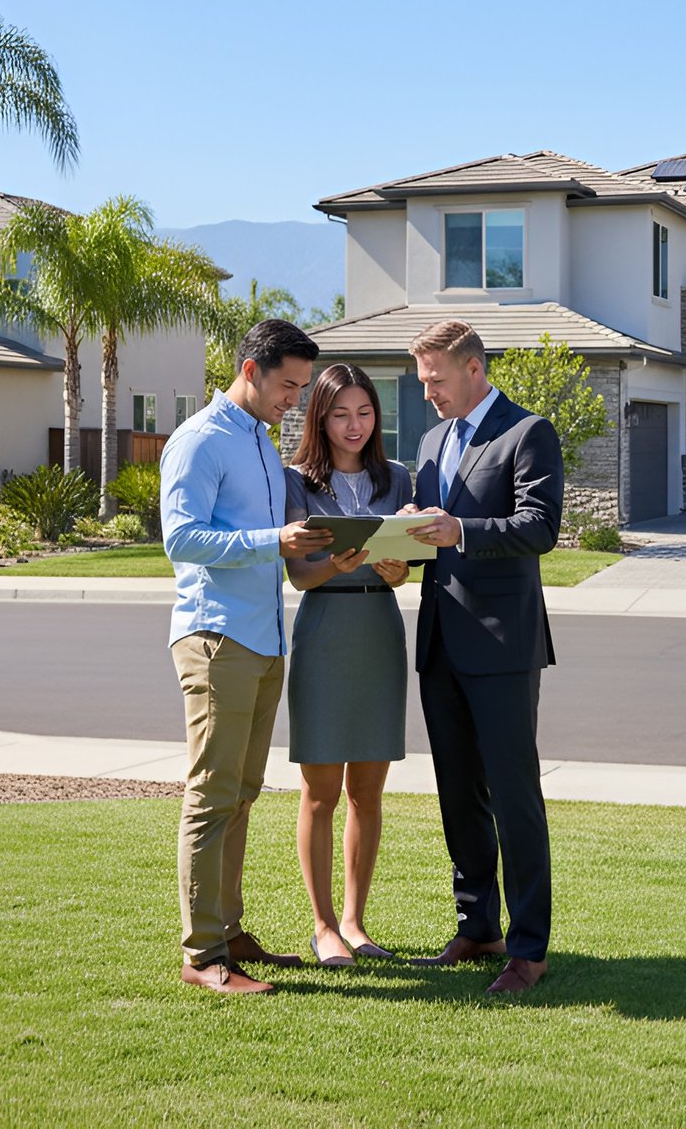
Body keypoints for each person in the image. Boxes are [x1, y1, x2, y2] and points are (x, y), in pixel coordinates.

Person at [161, 318, 335, 995]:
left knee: (243, 794)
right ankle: (203, 955)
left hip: (265, 640)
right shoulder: (199, 441)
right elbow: (182, 540)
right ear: (250, 370)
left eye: (300, 388)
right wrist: (273, 540)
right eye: (287, 386)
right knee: (211, 796)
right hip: (215, 640)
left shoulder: (261, 444)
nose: (294, 400)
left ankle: (229, 932)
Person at [399, 319, 563, 994]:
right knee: (457, 796)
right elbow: (428, 529)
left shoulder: (529, 433)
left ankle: (529, 950)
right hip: (440, 641)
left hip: (501, 645)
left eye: (434, 380)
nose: (428, 394)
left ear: (473, 367)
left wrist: (460, 528)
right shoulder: (434, 441)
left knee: (513, 797)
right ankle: (478, 927)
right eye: (421, 382)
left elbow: (540, 527)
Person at [283, 364, 412, 967]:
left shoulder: (397, 479)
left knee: (368, 792)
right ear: (321, 418)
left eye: (364, 413)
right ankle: (323, 925)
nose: (354, 425)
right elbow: (299, 573)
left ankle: (357, 924)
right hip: (325, 631)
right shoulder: (297, 483)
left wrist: (399, 570)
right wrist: (334, 566)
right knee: (320, 793)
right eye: (341, 414)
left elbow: (407, 559)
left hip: (380, 632)